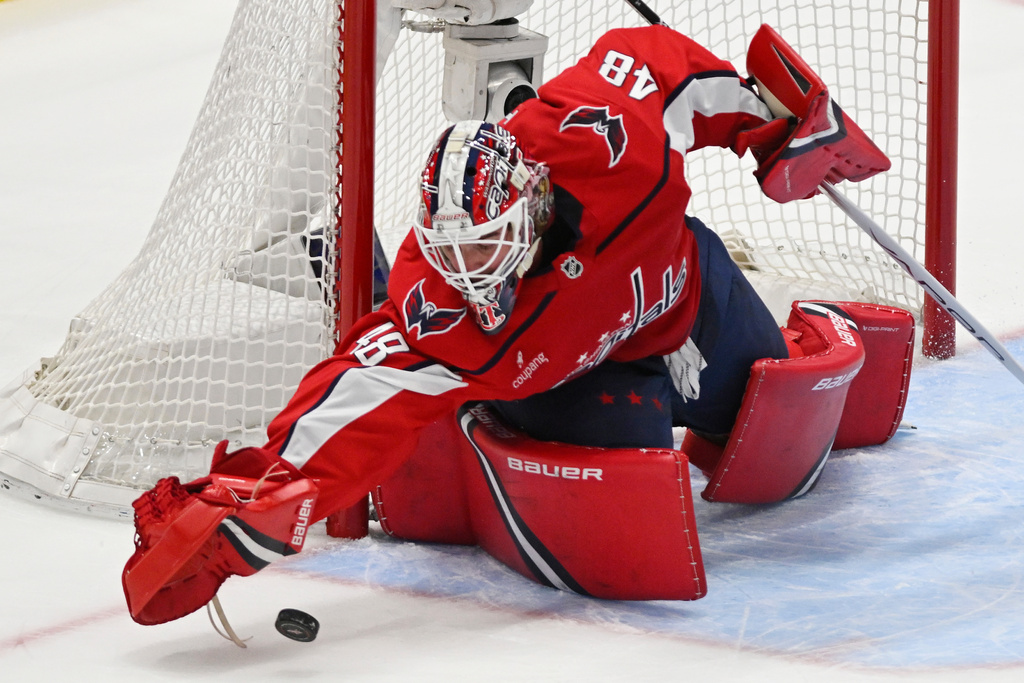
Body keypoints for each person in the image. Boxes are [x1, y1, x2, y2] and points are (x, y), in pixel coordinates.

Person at [122, 22, 890, 626]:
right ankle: (468, 408)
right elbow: (351, 396)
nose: (470, 272)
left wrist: (775, 128)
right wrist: (245, 498)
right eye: (449, 251)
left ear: (529, 202)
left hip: (687, 302)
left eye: (487, 244)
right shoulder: (443, 315)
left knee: (775, 452)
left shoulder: (605, 139)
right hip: (583, 376)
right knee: (625, 543)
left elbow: (659, 61)